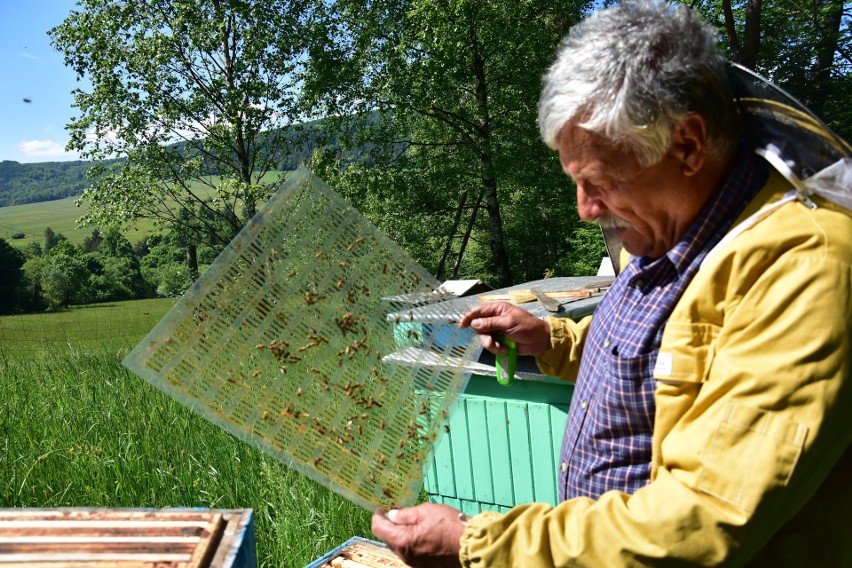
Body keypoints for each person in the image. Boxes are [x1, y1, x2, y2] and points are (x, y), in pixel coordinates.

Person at [371, 1, 852, 566]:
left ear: (688, 146)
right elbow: (658, 356)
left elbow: (705, 519)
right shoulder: (672, 227)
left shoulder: (804, 265)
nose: (584, 209)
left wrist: (479, 543)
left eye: (599, 181)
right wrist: (551, 340)